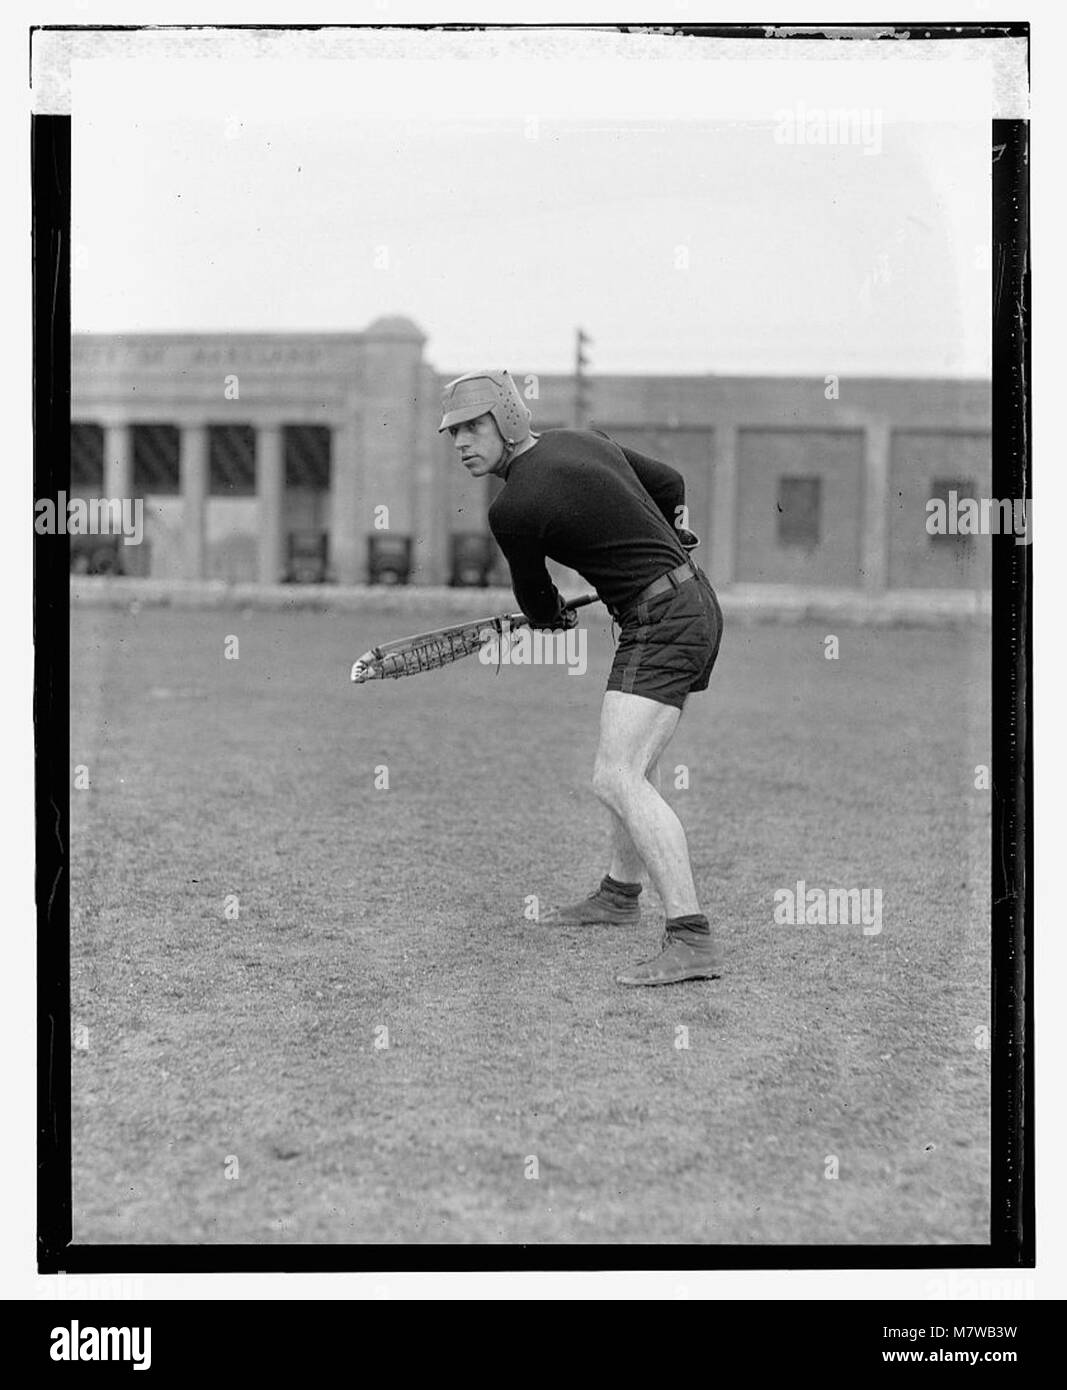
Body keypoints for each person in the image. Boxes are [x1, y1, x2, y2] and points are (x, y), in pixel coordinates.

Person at [439, 369, 725, 986]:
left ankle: (691, 938)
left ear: (508, 419)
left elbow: (538, 604)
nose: (461, 441)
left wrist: (549, 616)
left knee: (615, 775)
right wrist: (670, 533)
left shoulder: (512, 508)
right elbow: (670, 482)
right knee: (635, 765)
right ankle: (621, 896)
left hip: (663, 621)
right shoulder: (584, 439)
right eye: (453, 432)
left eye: (472, 426)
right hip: (688, 603)